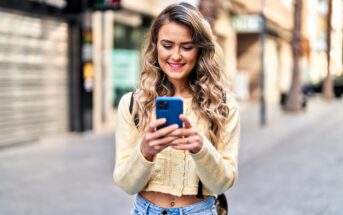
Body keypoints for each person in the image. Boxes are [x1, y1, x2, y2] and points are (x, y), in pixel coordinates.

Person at [113, 2, 240, 214]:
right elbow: (127, 185)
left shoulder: (223, 104)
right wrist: (145, 151)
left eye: (187, 47)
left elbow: (222, 184)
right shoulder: (133, 104)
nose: (176, 56)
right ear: (155, 46)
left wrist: (201, 149)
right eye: (167, 45)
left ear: (200, 50)